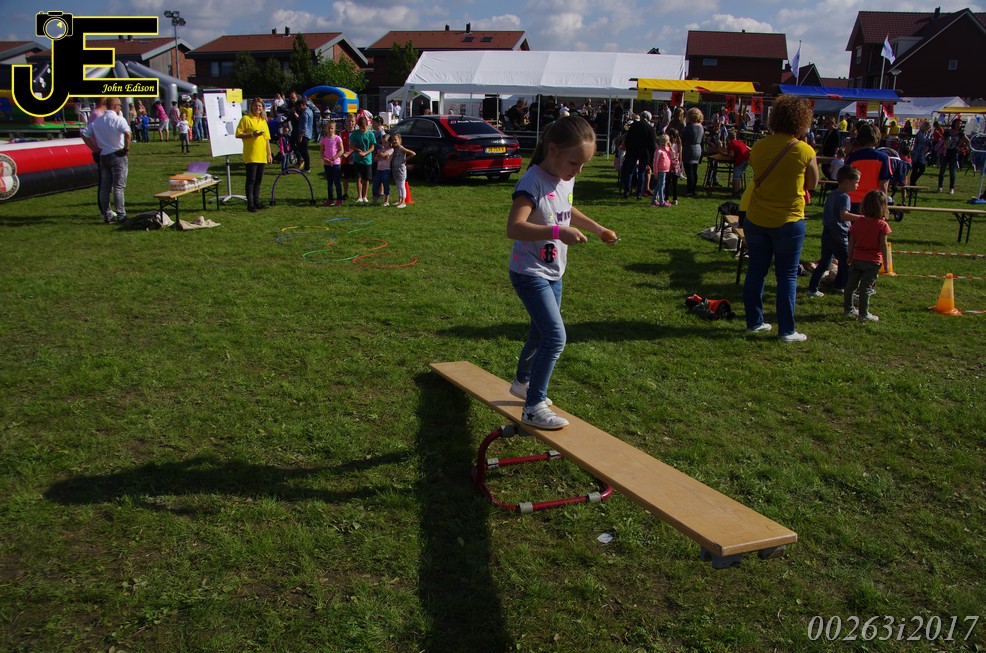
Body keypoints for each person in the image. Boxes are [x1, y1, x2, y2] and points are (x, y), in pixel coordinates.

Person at [505, 116, 617, 429]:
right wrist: (557, 232)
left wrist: (597, 228)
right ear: (552, 150)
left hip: (554, 271)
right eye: (574, 162)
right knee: (555, 337)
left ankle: (522, 382)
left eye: (583, 165)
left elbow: (565, 209)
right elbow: (514, 227)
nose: (578, 170)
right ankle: (533, 406)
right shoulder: (531, 182)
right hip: (529, 272)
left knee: (540, 332)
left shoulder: (563, 176)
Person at [741, 94, 819, 343]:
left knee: (756, 271)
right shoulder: (805, 150)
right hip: (789, 220)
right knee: (787, 276)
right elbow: (813, 183)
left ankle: (755, 322)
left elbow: (756, 170)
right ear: (802, 120)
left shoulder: (760, 146)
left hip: (757, 217)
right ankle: (786, 330)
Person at [806, 165, 861, 297]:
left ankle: (812, 288)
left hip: (827, 233)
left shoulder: (833, 194)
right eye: (856, 182)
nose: (858, 185)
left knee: (824, 263)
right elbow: (843, 216)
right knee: (846, 262)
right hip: (839, 235)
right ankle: (842, 286)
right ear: (847, 182)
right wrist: (862, 217)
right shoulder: (844, 197)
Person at [80, 97, 132, 224]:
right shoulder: (119, 119)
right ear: (114, 106)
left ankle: (107, 214)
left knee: (105, 187)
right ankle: (121, 215)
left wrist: (95, 149)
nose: (120, 107)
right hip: (117, 154)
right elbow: (127, 134)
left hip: (103, 155)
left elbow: (84, 134)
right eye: (119, 105)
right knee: (118, 187)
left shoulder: (98, 121)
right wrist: (126, 149)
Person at [844, 190, 891, 322]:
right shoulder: (882, 225)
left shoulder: (858, 222)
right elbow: (883, 245)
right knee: (865, 289)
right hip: (873, 261)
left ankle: (848, 310)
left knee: (850, 286)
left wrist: (849, 256)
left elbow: (852, 242)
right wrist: (886, 263)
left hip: (857, 258)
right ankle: (863, 314)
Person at [235, 97, 273, 212]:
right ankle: (250, 204)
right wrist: (251, 135)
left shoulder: (263, 121)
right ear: (252, 107)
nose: (257, 108)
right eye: (255, 106)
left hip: (261, 155)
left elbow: (267, 139)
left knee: (258, 180)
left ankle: (257, 201)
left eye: (259, 106)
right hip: (251, 154)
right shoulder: (246, 119)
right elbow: (238, 134)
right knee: (251, 179)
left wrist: (269, 154)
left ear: (262, 108)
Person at [845, 122, 892, 212]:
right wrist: (884, 206)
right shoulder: (883, 158)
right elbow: (883, 185)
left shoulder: (852, 157)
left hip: (852, 201)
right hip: (873, 202)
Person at [620, 110, 656, 199]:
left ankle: (626, 191)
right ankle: (639, 193)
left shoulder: (634, 126)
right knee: (641, 172)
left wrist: (628, 149)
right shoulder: (650, 128)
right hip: (644, 152)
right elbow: (652, 144)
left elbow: (628, 139)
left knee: (629, 171)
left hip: (632, 151)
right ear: (648, 118)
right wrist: (651, 157)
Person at [936, 118, 970, 194]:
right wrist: (945, 143)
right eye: (958, 123)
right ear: (954, 123)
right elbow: (941, 141)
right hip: (945, 152)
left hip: (954, 153)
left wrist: (962, 148)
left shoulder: (960, 134)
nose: (959, 125)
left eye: (960, 124)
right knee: (942, 170)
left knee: (952, 171)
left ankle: (951, 188)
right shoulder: (947, 132)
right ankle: (940, 187)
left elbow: (968, 141)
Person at [348, 115, 376, 203]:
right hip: (357, 159)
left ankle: (365, 196)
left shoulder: (370, 134)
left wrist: (365, 153)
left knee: (366, 179)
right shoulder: (355, 134)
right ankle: (359, 196)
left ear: (367, 125)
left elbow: (372, 147)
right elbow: (351, 145)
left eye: (364, 127)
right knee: (358, 178)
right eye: (361, 128)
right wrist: (357, 150)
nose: (362, 129)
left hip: (367, 160)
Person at [680, 107, 704, 197]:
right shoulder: (701, 127)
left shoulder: (688, 127)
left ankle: (689, 191)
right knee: (694, 171)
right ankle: (693, 190)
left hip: (689, 149)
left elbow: (682, 138)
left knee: (689, 172)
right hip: (698, 149)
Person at [320, 121, 344, 206]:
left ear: (334, 129)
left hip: (336, 163)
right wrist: (324, 159)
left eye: (332, 128)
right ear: (326, 128)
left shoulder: (337, 138)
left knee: (337, 181)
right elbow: (321, 151)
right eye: (329, 128)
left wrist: (334, 157)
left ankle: (339, 199)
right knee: (329, 182)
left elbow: (341, 150)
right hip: (327, 163)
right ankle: (330, 199)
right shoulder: (323, 139)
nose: (330, 130)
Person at [390, 133, 415, 208]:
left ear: (400, 140)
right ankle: (399, 200)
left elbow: (413, 153)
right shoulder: (394, 149)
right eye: (393, 140)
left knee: (402, 186)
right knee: (398, 186)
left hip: (401, 169)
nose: (394, 141)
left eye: (395, 140)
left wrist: (405, 159)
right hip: (395, 169)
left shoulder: (401, 148)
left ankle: (403, 202)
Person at [725, 129, 751, 197]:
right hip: (747, 159)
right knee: (738, 175)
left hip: (740, 160)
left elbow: (732, 155)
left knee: (736, 177)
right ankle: (736, 186)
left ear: (728, 138)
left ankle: (736, 192)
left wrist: (726, 156)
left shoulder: (731, 144)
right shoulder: (740, 142)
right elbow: (749, 149)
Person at [650, 134, 672, 207]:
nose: (663, 143)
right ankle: (662, 201)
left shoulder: (667, 149)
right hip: (660, 170)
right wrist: (655, 172)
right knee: (662, 185)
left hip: (666, 169)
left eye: (665, 141)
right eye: (662, 141)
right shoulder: (658, 151)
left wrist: (670, 147)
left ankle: (654, 200)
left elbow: (673, 154)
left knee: (659, 185)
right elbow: (655, 162)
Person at [293, 98, 314, 172]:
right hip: (309, 133)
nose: (298, 109)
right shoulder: (310, 111)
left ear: (302, 105)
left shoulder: (305, 113)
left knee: (304, 151)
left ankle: (307, 167)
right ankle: (306, 166)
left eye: (298, 107)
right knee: (304, 151)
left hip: (304, 135)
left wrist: (301, 136)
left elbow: (304, 126)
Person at [372, 134, 393, 206]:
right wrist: (382, 156)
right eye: (382, 142)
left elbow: (383, 155)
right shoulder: (382, 149)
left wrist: (379, 152)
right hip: (379, 170)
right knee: (375, 185)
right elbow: (376, 158)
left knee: (386, 185)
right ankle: (374, 201)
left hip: (386, 170)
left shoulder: (391, 149)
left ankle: (386, 201)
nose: (384, 144)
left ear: (390, 142)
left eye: (385, 142)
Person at [340, 113, 357, 200]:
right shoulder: (342, 133)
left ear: (355, 122)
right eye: (349, 121)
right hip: (345, 159)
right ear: (346, 122)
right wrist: (343, 153)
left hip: (356, 159)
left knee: (358, 178)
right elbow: (339, 146)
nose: (351, 123)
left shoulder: (357, 133)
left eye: (352, 121)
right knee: (345, 177)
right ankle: (345, 193)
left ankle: (360, 195)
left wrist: (351, 152)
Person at [909, 121, 932, 186]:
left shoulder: (925, 134)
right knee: (915, 169)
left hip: (922, 154)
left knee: (922, 169)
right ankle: (912, 183)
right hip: (917, 154)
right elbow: (925, 141)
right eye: (928, 128)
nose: (929, 129)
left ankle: (913, 181)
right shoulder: (920, 134)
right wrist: (929, 135)